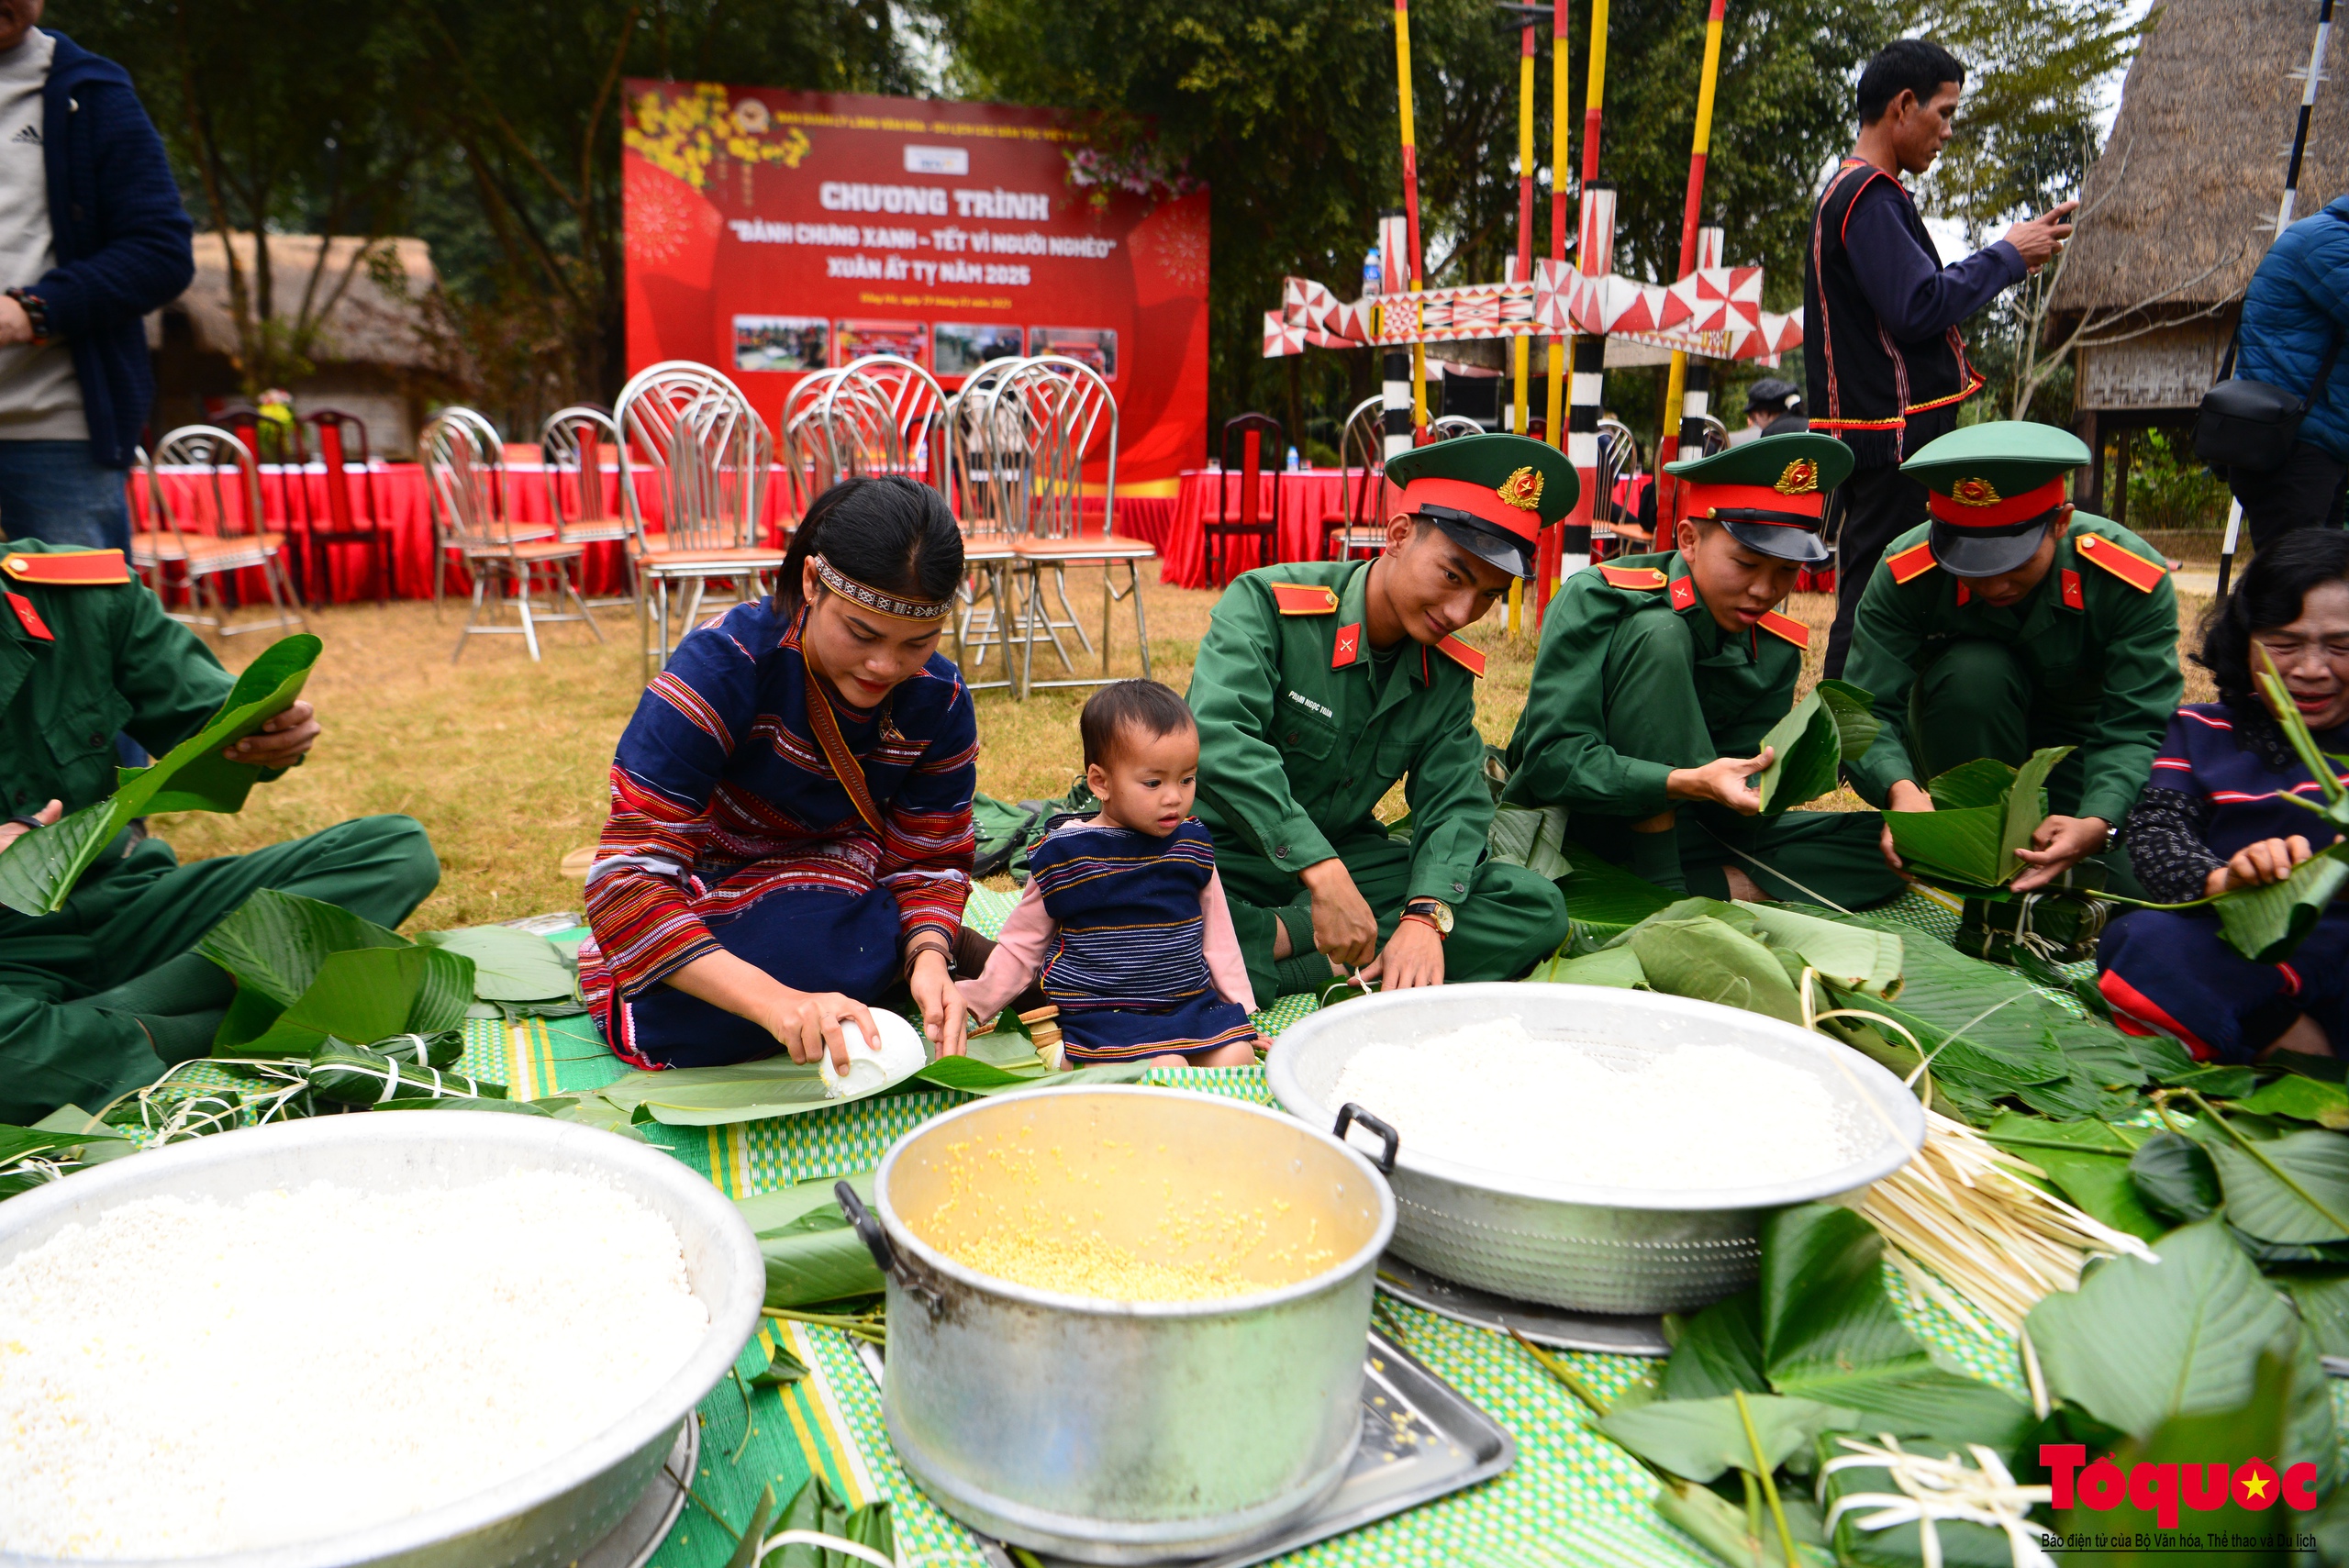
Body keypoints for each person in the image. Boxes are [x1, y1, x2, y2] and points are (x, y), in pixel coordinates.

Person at [0, 540, 438, 1124]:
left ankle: (111, 1026)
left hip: (130, 903)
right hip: (10, 949)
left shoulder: (72, 592)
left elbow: (209, 719)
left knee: (391, 849)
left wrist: (270, 734)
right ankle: (202, 1029)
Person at [579, 476, 979, 1073]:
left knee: (840, 940)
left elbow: (928, 859)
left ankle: (888, 954)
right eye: (862, 633)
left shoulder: (939, 698)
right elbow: (626, 883)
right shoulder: (721, 668)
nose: (886, 665)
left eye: (918, 643)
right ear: (812, 582)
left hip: (845, 881)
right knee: (731, 979)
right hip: (711, 892)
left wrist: (928, 956)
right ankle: (869, 958)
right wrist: (778, 1004)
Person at [1188, 430, 1573, 1003]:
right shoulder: (1270, 605)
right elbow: (1217, 739)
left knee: (1532, 906)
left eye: (1489, 595)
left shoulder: (1444, 672)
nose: (1462, 612)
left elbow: (1455, 800)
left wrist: (1424, 916)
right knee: (1138, 899)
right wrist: (1321, 870)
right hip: (1219, 852)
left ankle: (1274, 947)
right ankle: (1310, 949)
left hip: (1348, 859)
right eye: (1453, 575)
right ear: (1397, 536)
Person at [1504, 431, 1904, 907]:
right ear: (1690, 541)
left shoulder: (1774, 646)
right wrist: (1681, 782)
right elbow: (1552, 764)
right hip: (1580, 818)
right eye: (1747, 563)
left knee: (1883, 849)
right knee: (1660, 634)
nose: (1763, 589)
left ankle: (1673, 889)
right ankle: (1667, 891)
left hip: (1693, 830)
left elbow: (1735, 816)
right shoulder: (1599, 598)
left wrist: (1781, 777)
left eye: (1785, 572)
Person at [1805, 38, 2076, 677]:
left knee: (1880, 574)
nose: (1948, 131)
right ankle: (1847, 731)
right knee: (1876, 582)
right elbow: (1918, 306)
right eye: (1944, 112)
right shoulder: (1868, 195)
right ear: (1903, 105)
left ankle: (1865, 722)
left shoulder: (1864, 192)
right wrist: (2007, 255)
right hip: (1890, 431)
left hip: (1875, 427)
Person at [1844, 421, 2181, 895]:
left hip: (2083, 761)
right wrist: (1899, 790)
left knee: (2128, 890)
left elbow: (2135, 723)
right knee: (1975, 672)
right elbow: (1864, 708)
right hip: (1962, 748)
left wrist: (2099, 818)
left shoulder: (2128, 579)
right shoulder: (1907, 571)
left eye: (2014, 563)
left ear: (2061, 522)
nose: (1995, 584)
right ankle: (1969, 828)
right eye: (1971, 567)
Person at [2097, 530, 2349, 1063]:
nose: (2310, 669)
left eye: (2342, 646)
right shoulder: (2199, 730)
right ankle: (2302, 1054)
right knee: (2139, 941)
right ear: (2245, 640)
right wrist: (2227, 879)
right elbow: (2157, 836)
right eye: (2283, 644)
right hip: (2241, 947)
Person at [956, 680, 1260, 1068]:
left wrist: (1241, 1012)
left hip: (1186, 1003)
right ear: (1100, 782)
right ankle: (1071, 1057)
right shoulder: (1065, 855)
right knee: (1165, 1068)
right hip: (1103, 1015)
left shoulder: (1190, 845)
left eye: (1187, 779)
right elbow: (1022, 944)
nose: (1174, 796)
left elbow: (1219, 937)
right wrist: (976, 1001)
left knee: (1237, 1056)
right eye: (1154, 782)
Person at [0, 0, 194, 551]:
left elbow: (160, 251)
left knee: (84, 629)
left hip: (54, 432)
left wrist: (31, 310)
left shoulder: (93, 93)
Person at [2227, 195, 2349, 546]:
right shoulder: (2327, 242)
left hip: (2317, 443)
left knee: (2313, 582)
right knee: (2289, 586)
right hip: (2294, 447)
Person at [1729, 378, 1806, 445]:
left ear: (1764, 413)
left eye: (1754, 417)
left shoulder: (1772, 434)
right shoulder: (1808, 423)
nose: (1757, 423)